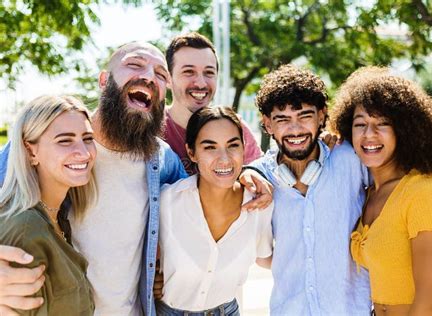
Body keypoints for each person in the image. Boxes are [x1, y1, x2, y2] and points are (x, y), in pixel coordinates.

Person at [0, 42, 271, 316]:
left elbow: (206, 196)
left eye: (160, 74)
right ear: (104, 80)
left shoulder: (162, 160)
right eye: (135, 64)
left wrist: (252, 173)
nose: (150, 76)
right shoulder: (47, 144)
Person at [330, 66, 432, 315]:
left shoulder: (424, 189)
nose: (369, 134)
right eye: (360, 124)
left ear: (404, 131)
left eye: (383, 124)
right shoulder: (368, 191)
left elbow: (431, 302)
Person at [249, 64, 372, 315]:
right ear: (267, 124)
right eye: (282, 119)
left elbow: (400, 192)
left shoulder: (351, 159)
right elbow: (259, 255)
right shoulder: (257, 177)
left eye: (304, 116)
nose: (295, 130)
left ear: (321, 116)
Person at [156, 106, 273, 315]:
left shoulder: (260, 205)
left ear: (244, 148)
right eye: (210, 147)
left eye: (233, 145)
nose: (225, 158)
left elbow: (267, 258)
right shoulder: (167, 202)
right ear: (191, 152)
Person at [0, 95, 97, 315]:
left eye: (88, 138)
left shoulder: (60, 216)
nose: (84, 152)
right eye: (65, 140)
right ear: (31, 151)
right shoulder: (25, 228)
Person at [164, 32, 262, 173]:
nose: (201, 83)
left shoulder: (234, 125)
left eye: (209, 72)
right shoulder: (150, 128)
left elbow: (259, 174)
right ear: (167, 78)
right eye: (189, 72)